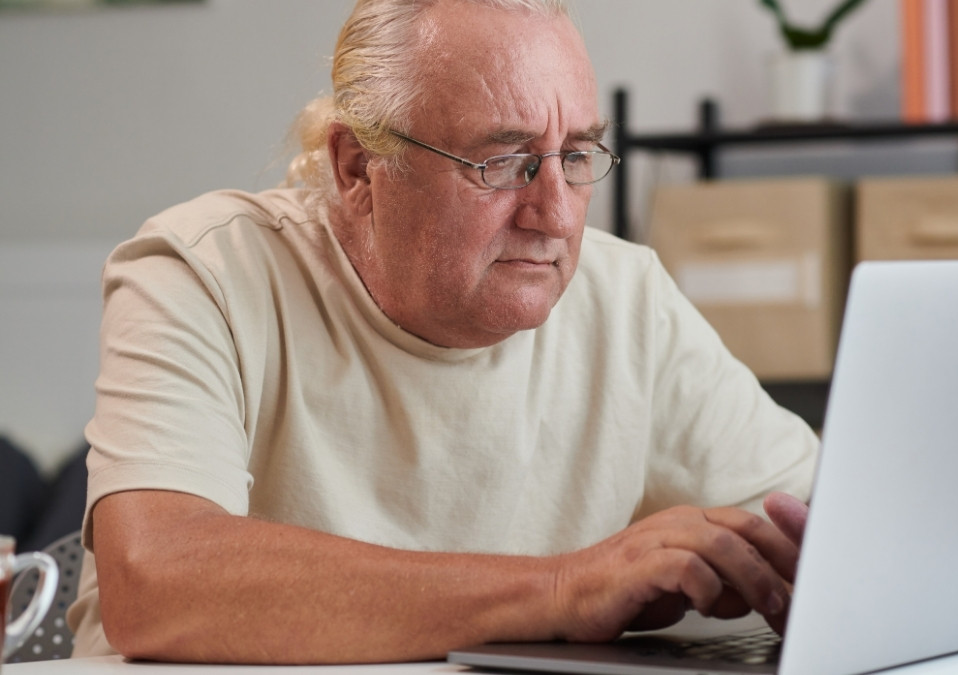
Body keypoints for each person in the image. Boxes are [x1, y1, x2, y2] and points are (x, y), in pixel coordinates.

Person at [67, 0, 820, 664]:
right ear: (359, 166)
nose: (555, 213)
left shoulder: (627, 299)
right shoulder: (202, 269)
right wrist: (561, 589)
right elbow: (156, 575)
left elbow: (832, 522)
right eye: (503, 160)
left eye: (577, 154)